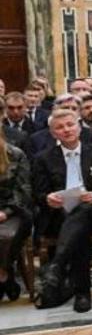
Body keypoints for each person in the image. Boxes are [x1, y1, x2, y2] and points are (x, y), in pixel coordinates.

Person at [32, 108, 92, 312]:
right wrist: (47, 198)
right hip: (59, 215)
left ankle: (57, 266)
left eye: (70, 125)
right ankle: (82, 293)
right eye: (60, 127)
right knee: (79, 230)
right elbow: (38, 192)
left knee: (82, 214)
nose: (66, 130)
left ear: (79, 127)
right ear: (53, 133)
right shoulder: (44, 158)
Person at [0, 127, 31, 302]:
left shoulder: (15, 154)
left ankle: (3, 272)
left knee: (5, 237)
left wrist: (6, 212)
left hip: (14, 211)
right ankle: (5, 276)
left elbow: (23, 191)